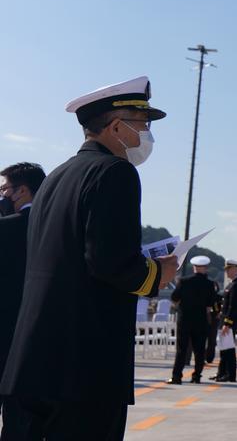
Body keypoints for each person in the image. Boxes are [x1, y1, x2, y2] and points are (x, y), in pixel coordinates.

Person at [0, 76, 178, 439]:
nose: (146, 135)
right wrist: (158, 273)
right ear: (116, 127)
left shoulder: (57, 177)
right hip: (84, 367)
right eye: (142, 124)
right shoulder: (116, 172)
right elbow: (110, 262)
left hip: (32, 362)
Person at [0, 163, 45, 422]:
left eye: (5, 188)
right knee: (22, 421)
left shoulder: (7, 227)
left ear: (22, 191)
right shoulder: (55, 226)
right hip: (36, 337)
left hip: (4, 330)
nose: (3, 194)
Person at [167, 255, 218, 385]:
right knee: (200, 350)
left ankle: (177, 376)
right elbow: (211, 303)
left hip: (184, 320)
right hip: (201, 320)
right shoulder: (210, 284)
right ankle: (196, 377)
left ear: (194, 267)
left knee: (181, 349)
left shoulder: (183, 281)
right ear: (206, 268)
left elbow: (174, 297)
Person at [214, 259, 237, 383]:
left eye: (229, 269)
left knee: (229, 350)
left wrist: (227, 323)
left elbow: (233, 306)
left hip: (228, 323)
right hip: (224, 322)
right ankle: (221, 373)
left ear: (236, 270)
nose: (226, 272)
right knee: (224, 349)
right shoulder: (231, 284)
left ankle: (230, 374)